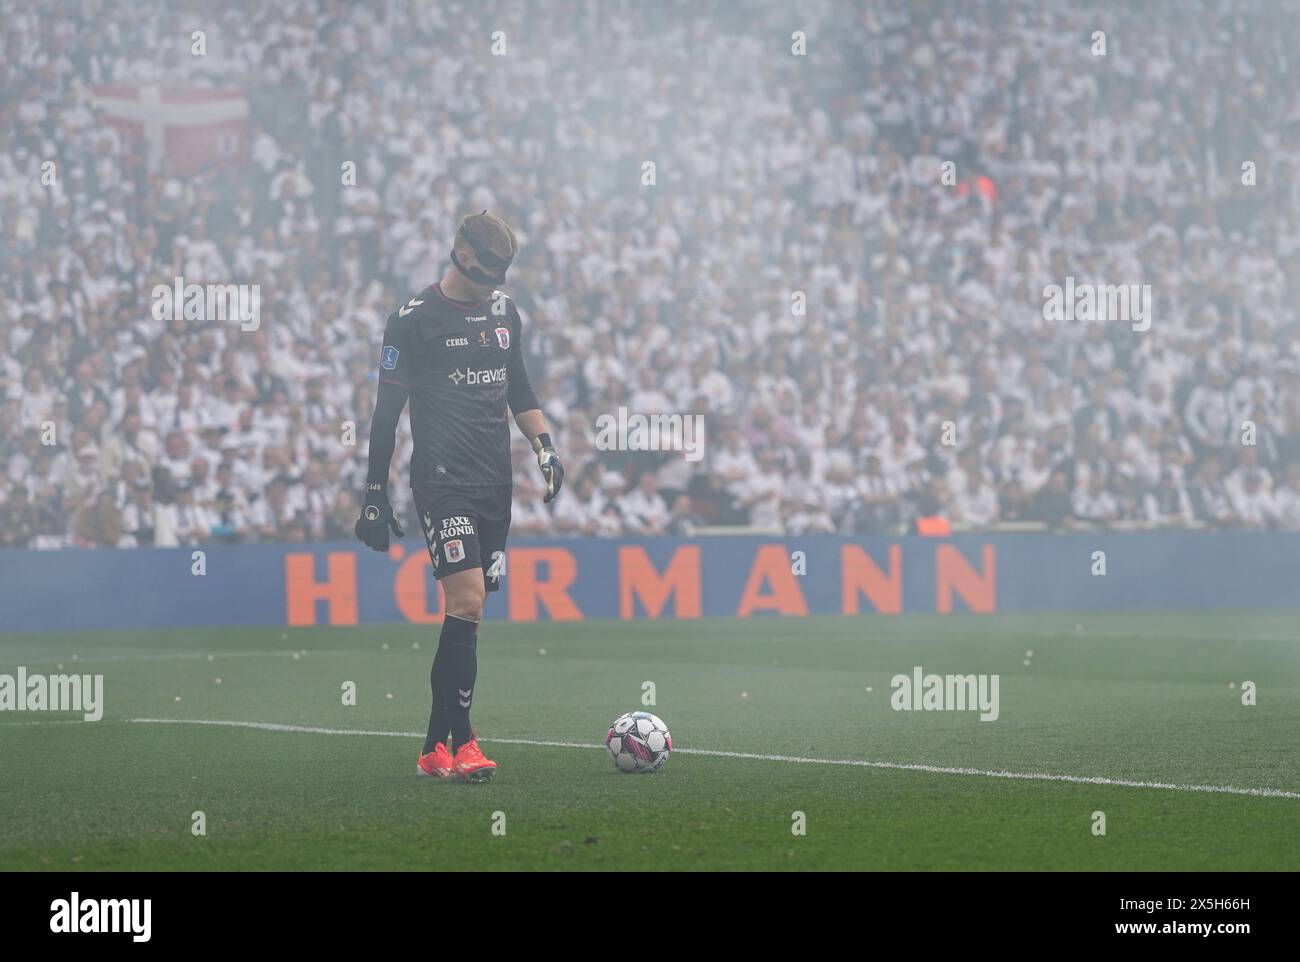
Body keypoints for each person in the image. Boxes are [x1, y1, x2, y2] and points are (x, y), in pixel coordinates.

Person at [354, 211, 564, 783]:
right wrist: (374, 495)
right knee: (467, 600)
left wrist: (545, 447)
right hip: (441, 480)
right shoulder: (411, 322)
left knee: (466, 618)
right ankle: (466, 741)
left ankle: (432, 746)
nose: (496, 285)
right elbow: (385, 416)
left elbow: (517, 386)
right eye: (489, 272)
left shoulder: (503, 311)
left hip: (495, 481)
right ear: (462, 254)